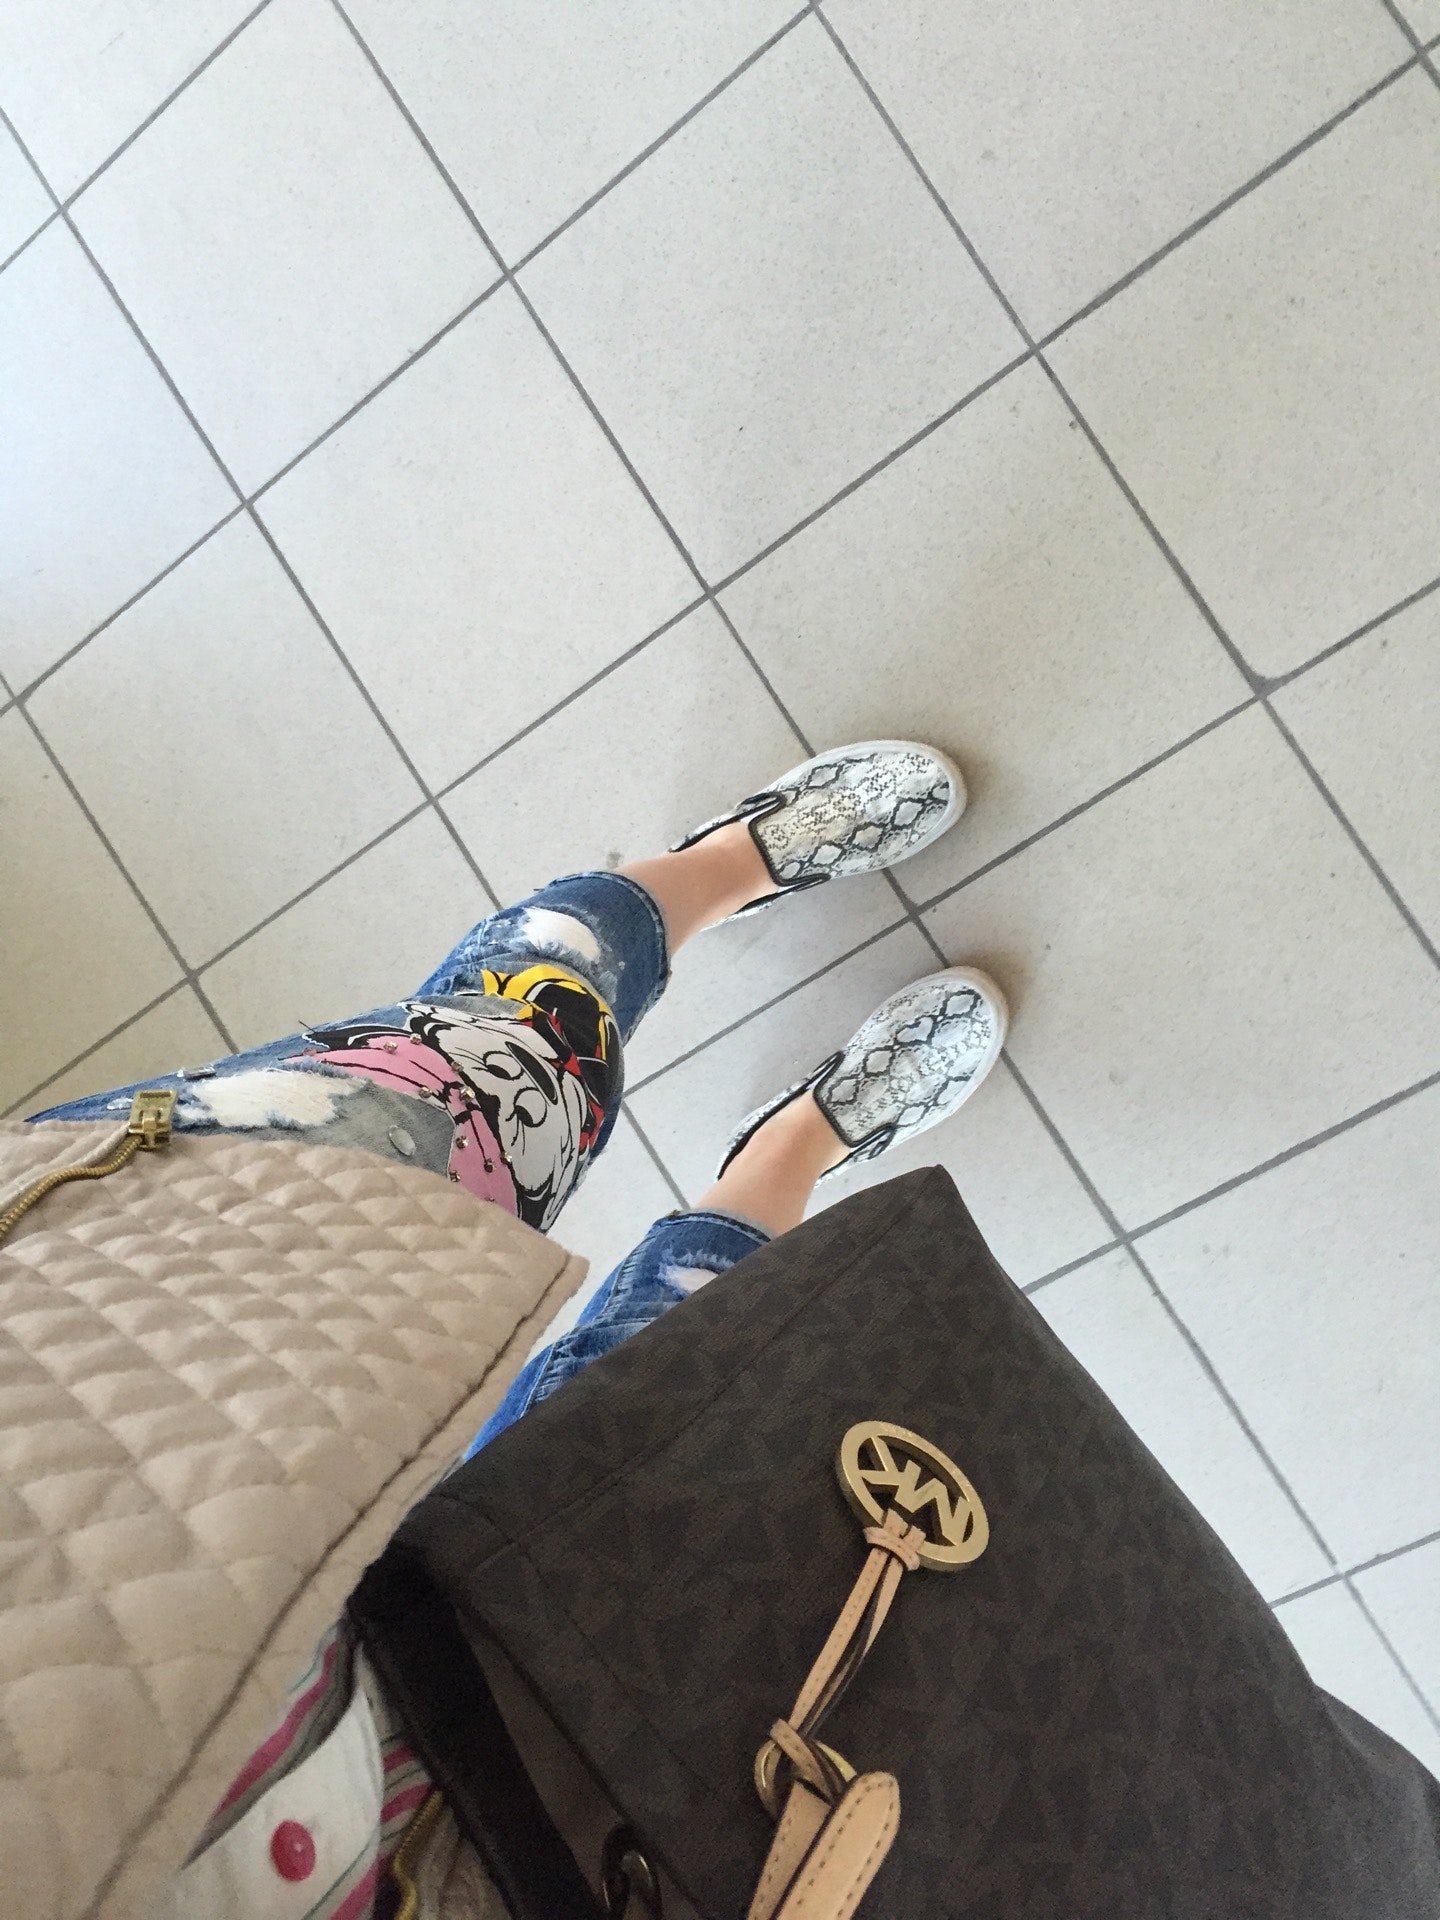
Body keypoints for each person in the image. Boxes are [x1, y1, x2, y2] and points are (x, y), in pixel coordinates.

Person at [29, 738, 1007, 1917]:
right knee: (671, 1389)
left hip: (107, 1387)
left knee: (498, 1075)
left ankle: (715, 869)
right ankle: (787, 1151)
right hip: (469, 1843)